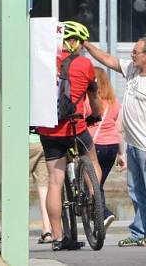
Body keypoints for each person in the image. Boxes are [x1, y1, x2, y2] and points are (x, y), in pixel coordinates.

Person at [84, 37, 146, 247]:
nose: (132, 55)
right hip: (132, 143)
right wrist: (86, 45)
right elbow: (108, 60)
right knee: (136, 190)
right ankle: (139, 231)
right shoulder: (133, 70)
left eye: (135, 52)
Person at [38, 20, 103, 251]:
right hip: (76, 127)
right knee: (93, 161)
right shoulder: (84, 64)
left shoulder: (43, 63)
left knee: (55, 183)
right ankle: (97, 205)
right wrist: (96, 115)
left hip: (49, 130)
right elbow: (94, 98)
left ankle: (57, 238)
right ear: (74, 42)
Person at [84, 67, 127, 231]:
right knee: (98, 184)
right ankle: (99, 224)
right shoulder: (114, 102)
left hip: (94, 145)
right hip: (112, 146)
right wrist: (121, 154)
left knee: (92, 184)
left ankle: (104, 213)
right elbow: (119, 128)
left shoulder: (88, 100)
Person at [30, 134, 53, 244]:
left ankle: (10, 231)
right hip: (43, 141)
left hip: (25, 143)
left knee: (16, 184)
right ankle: (47, 231)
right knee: (43, 188)